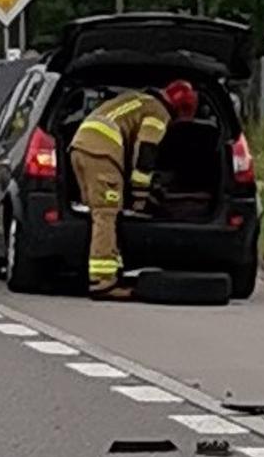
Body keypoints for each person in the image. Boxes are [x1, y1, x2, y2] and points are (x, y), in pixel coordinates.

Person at [68, 80, 200, 300]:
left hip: (81, 146)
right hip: (102, 152)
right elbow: (146, 152)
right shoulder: (158, 113)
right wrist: (140, 197)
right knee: (106, 214)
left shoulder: (140, 100)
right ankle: (103, 282)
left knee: (98, 213)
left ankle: (110, 269)